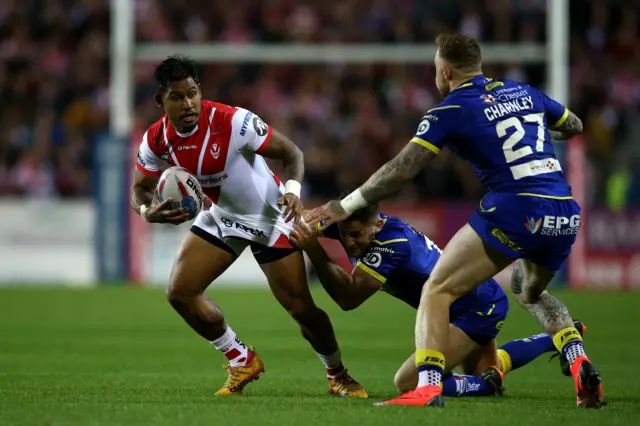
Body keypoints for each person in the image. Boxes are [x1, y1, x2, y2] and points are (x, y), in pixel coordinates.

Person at [306, 34, 604, 408]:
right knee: (529, 291)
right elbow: (573, 125)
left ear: (445, 71)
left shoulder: (451, 109)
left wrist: (347, 203)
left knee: (438, 288)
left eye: (435, 68)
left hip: (514, 207)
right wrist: (535, 130)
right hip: (562, 210)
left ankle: (428, 388)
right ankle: (579, 362)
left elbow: (402, 169)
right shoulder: (524, 92)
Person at [131, 55, 367, 398]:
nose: (188, 104)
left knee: (301, 309)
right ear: (160, 101)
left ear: (200, 91)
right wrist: (144, 211)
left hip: (270, 218)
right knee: (180, 293)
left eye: (192, 93)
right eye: (177, 97)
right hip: (223, 215)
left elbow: (292, 153)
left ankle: (338, 375)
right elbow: (140, 188)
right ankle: (241, 358)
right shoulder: (157, 138)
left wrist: (292, 191)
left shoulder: (232, 121)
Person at [292, 197, 586, 397]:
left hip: (476, 307)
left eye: (356, 235)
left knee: (408, 382)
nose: (349, 242)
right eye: (344, 234)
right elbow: (314, 216)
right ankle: (560, 336)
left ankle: (489, 383)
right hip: (461, 304)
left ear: (377, 225)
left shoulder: (392, 244)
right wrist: (312, 216)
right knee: (489, 371)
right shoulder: (355, 223)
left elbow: (349, 298)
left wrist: (313, 250)